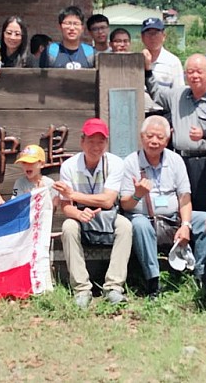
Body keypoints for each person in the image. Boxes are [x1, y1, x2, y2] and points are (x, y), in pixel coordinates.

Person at [120, 116, 206, 297]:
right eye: (150, 136)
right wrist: (137, 194)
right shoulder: (131, 163)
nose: (154, 141)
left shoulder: (175, 160)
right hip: (145, 218)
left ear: (167, 139)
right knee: (139, 224)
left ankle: (203, 277)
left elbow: (184, 196)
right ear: (141, 137)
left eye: (159, 137)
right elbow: (125, 204)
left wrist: (186, 225)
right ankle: (153, 281)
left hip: (173, 217)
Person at [53, 118, 132, 308]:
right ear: (82, 142)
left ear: (106, 143)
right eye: (91, 141)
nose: (95, 147)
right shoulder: (69, 166)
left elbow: (107, 200)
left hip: (108, 213)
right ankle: (81, 289)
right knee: (68, 227)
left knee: (125, 226)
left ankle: (113, 287)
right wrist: (79, 214)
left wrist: (74, 195)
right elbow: (66, 205)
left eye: (100, 142)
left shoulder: (115, 163)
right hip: (79, 214)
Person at [145, 54, 206, 213]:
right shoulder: (178, 95)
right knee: (181, 205)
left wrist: (205, 133)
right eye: (190, 72)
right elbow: (157, 94)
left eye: (199, 71)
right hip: (180, 160)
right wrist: (148, 71)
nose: (194, 76)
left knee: (204, 209)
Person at [140, 17, 184, 93]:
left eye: (156, 33)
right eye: (148, 33)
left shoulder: (173, 62)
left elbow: (178, 93)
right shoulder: (136, 61)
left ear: (164, 36)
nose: (152, 37)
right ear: (142, 37)